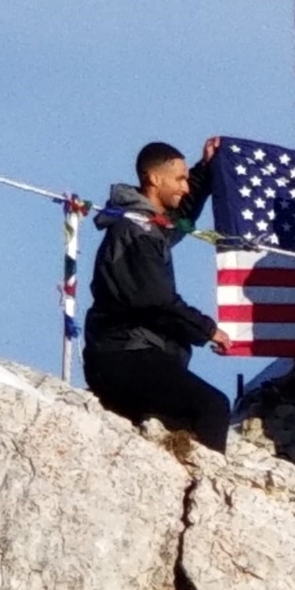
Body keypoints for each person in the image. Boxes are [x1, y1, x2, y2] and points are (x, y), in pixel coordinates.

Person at [83, 138, 233, 454]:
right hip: (124, 355)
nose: (185, 186)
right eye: (178, 179)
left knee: (178, 418)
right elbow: (157, 301)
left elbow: (181, 216)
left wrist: (205, 169)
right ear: (154, 179)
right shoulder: (136, 231)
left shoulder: (150, 226)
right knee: (212, 407)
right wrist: (208, 330)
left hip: (129, 353)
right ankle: (209, 490)